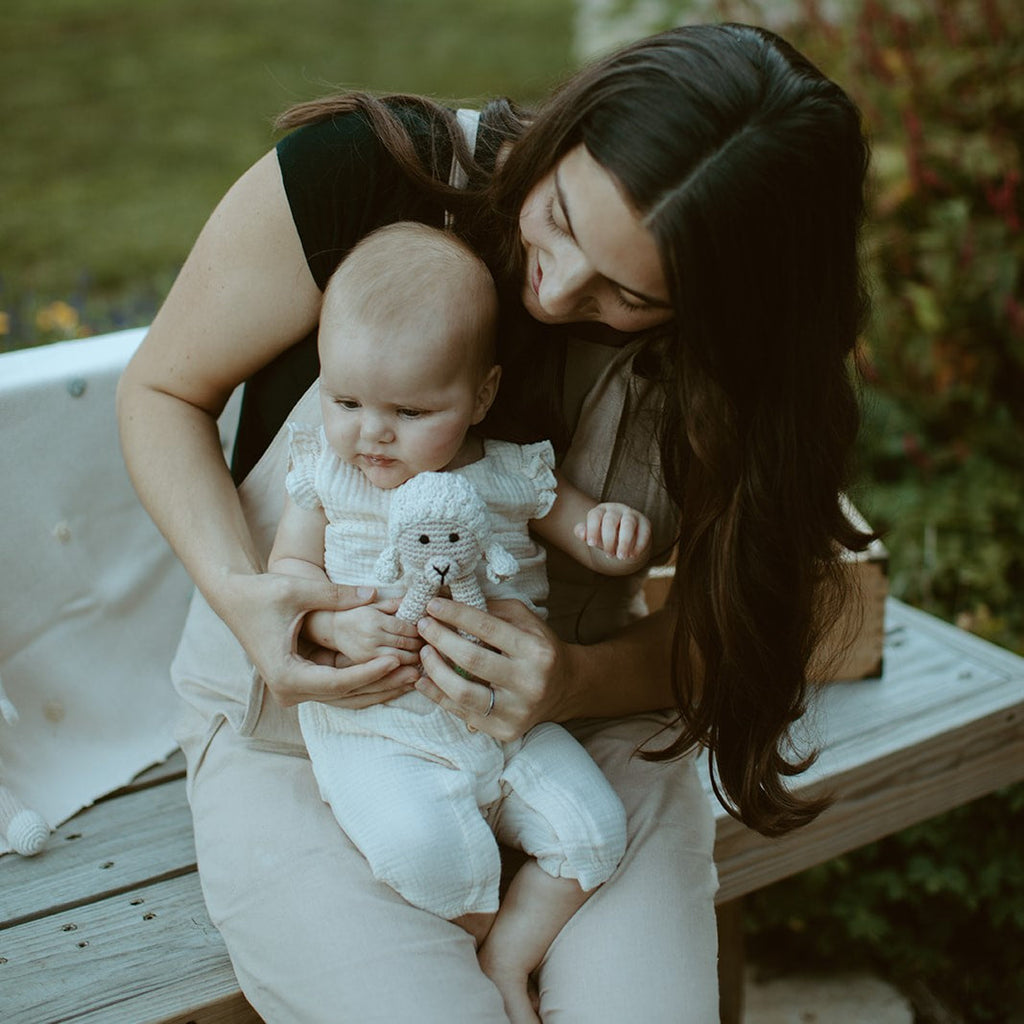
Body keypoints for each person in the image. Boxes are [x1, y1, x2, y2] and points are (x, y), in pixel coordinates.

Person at [117, 22, 872, 1023]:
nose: (554, 289)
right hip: (307, 735)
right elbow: (162, 392)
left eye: (628, 295)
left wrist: (578, 678)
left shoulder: (754, 374)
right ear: (570, 124)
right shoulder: (358, 175)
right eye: (557, 217)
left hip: (578, 736)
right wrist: (252, 596)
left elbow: (758, 621)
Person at [269, 221, 650, 1022]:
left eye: (409, 410)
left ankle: (507, 951)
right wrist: (333, 628)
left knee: (595, 832)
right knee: (425, 851)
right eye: (346, 401)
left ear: (480, 395)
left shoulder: (507, 472)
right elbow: (291, 580)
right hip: (379, 728)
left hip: (507, 724)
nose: (371, 432)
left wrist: (615, 533)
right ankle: (465, 924)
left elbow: (593, 538)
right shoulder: (330, 477)